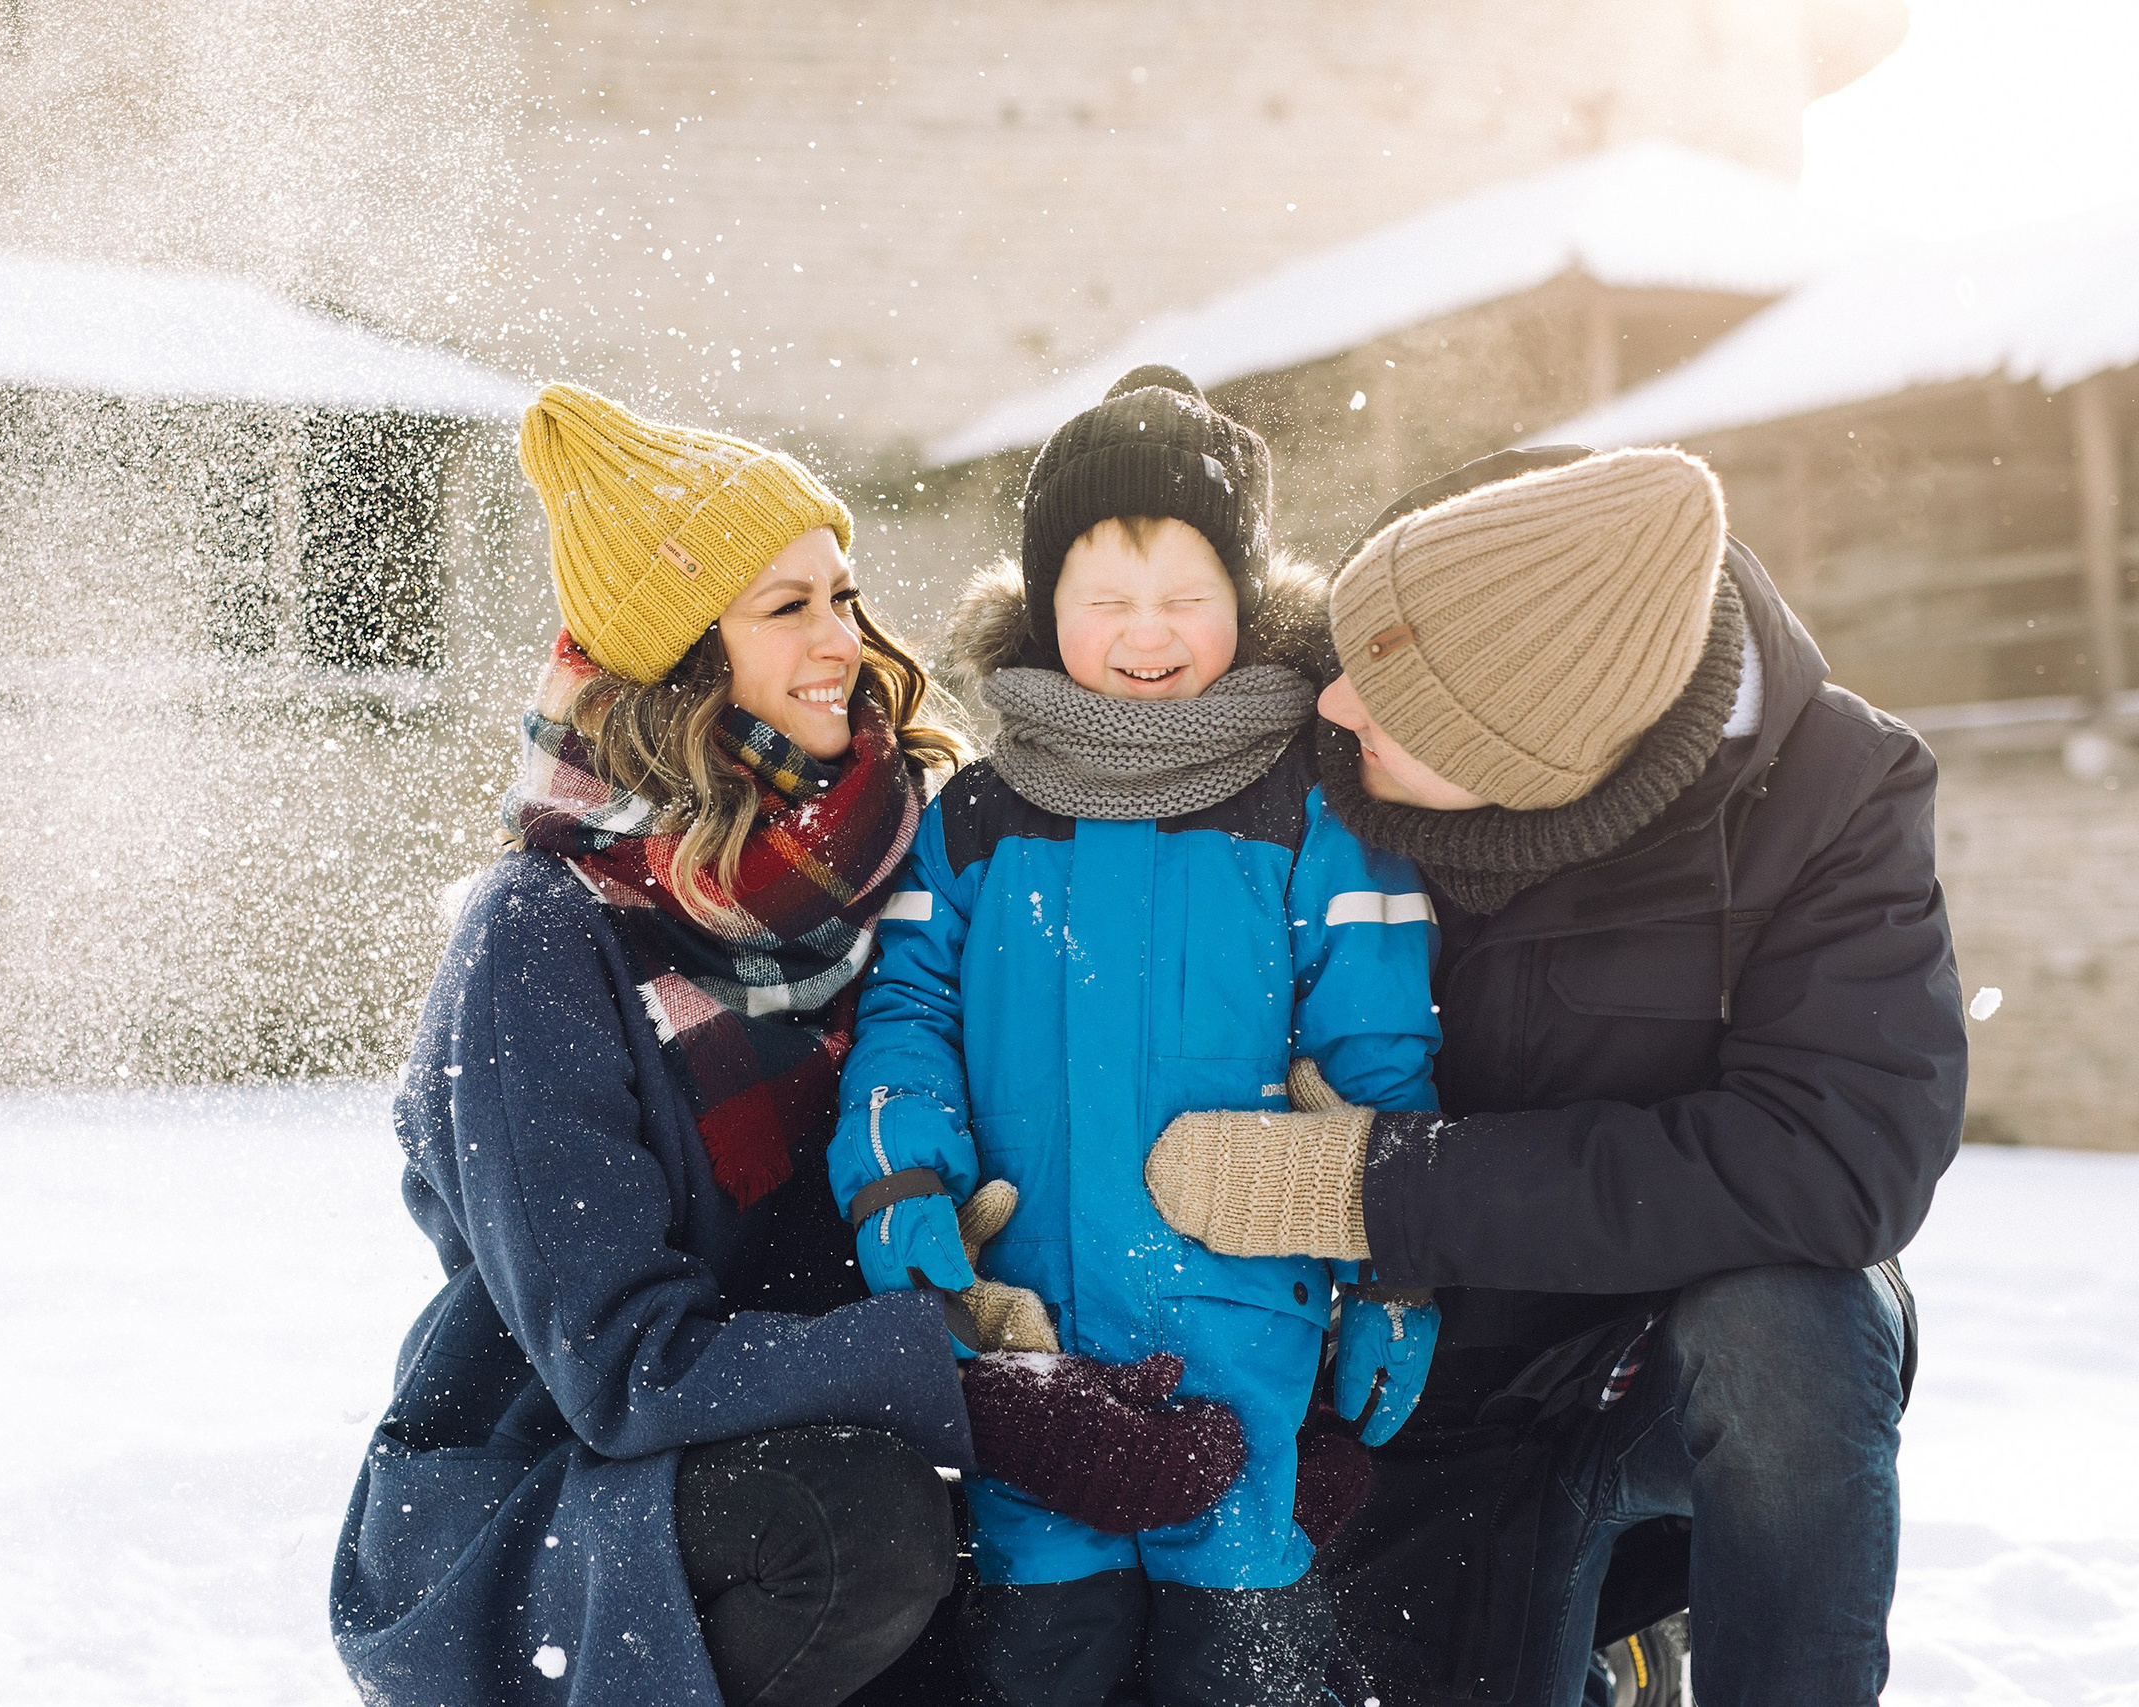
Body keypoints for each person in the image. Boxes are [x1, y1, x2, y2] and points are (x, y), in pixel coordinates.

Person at [331, 383, 1247, 1707]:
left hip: (862, 1418)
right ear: (686, 657)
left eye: (843, 592)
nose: (846, 640)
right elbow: (623, 1365)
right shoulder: (543, 934)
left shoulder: (910, 852)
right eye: (786, 607)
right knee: (860, 1526)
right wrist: (975, 1391)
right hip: (577, 1490)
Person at [1147, 446, 1964, 1707]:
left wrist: (1376, 1192)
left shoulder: (1828, 795)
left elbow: (1837, 1159)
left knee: (1795, 1325)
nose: (1332, 707)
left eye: (1391, 714)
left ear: (1533, 773)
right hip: (1390, 1375)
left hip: (1636, 1351)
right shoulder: (1412, 620)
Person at [832, 367, 1446, 1707]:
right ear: (1049, 610)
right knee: (1047, 1654)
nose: (1148, 633)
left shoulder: (1313, 816)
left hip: (1250, 1337)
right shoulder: (981, 822)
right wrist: (901, 1182)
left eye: (1187, 596)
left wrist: (1399, 1263)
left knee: (1245, 1658)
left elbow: (1378, 1054)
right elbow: (909, 1012)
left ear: (1247, 598)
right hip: (1033, 1337)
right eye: (1107, 600)